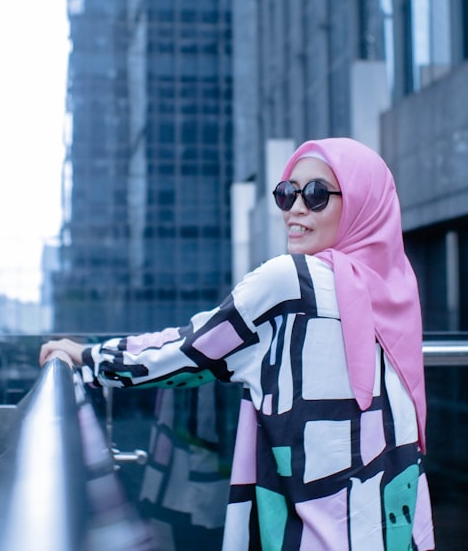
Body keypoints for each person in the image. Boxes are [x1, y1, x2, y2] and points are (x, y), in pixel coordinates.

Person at [41, 137, 434, 550]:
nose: (295, 208)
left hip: (311, 534)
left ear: (359, 204)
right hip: (395, 532)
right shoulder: (396, 292)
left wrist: (89, 358)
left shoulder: (290, 281)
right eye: (286, 193)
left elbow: (190, 349)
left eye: (317, 195)